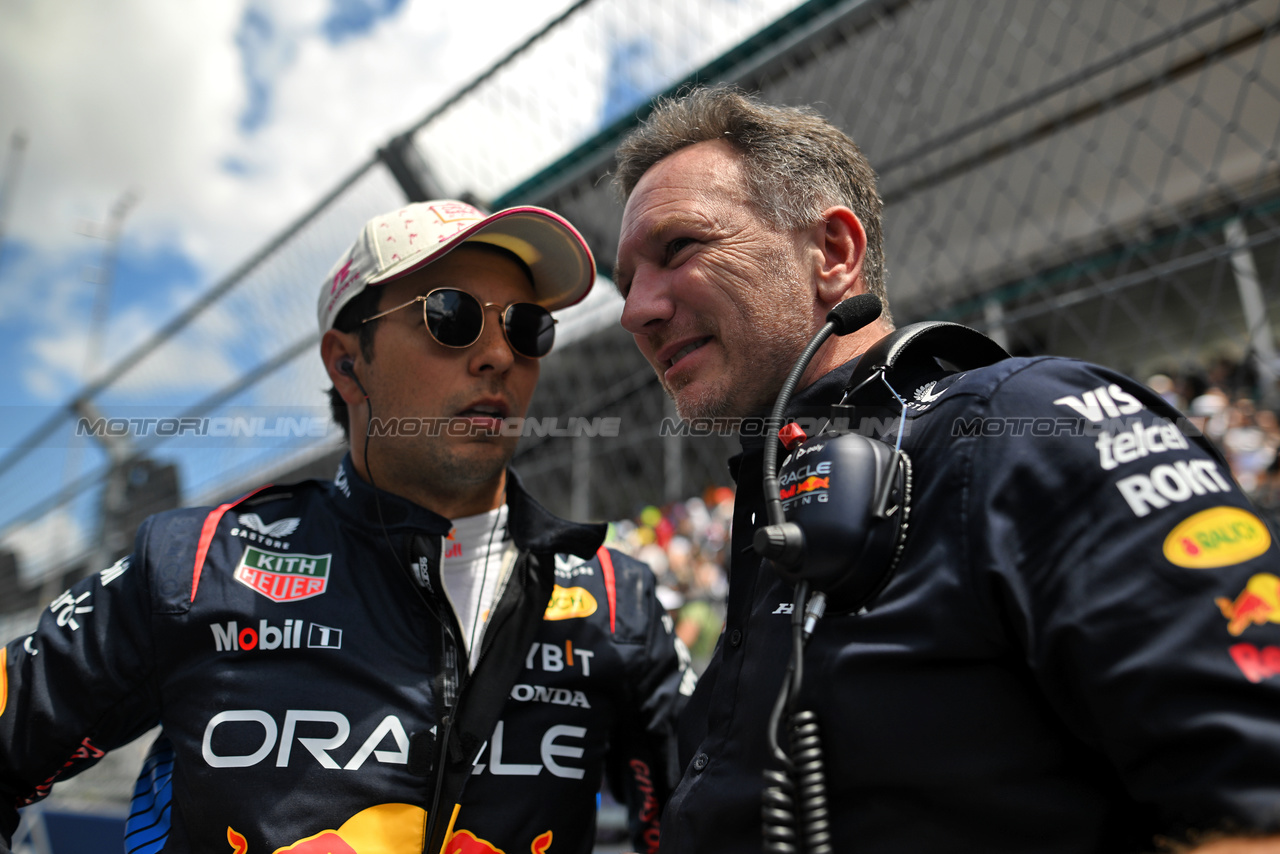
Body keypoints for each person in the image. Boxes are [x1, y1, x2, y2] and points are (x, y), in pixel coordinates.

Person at [612, 86, 1280, 853]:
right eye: (628, 281)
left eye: (679, 249)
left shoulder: (1024, 421)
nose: (638, 310)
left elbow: (1255, 800)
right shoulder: (779, 500)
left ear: (832, 252)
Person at [0, 200, 693, 854]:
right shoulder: (196, 564)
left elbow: (722, 816)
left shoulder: (612, 599)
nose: (499, 355)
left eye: (525, 326)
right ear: (347, 361)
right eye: (451, 316)